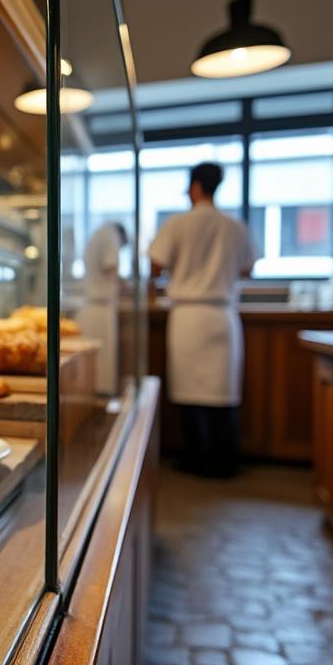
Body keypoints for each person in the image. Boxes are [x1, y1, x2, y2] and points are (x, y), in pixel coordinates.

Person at [147, 162, 255, 477]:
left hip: (189, 316)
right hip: (222, 316)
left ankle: (196, 459)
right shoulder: (234, 226)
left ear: (195, 187)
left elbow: (155, 266)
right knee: (223, 393)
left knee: (189, 392)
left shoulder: (177, 224)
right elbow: (248, 269)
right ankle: (224, 463)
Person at [76, 221, 128, 395]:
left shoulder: (100, 233)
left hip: (95, 308)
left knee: (95, 372)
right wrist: (126, 285)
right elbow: (111, 265)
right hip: (99, 310)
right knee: (100, 376)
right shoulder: (110, 235)